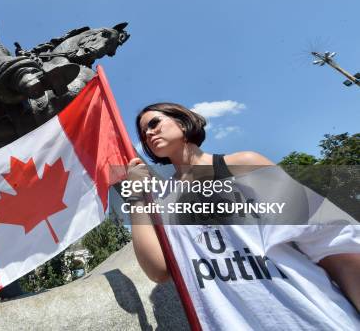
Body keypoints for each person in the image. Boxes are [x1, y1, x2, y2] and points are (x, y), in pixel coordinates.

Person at [126, 102, 360, 329]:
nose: (148, 133)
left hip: (310, 315)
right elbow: (158, 270)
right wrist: (136, 196)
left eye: (154, 123)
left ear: (183, 122)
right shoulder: (163, 201)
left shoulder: (243, 165)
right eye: (143, 132)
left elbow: (330, 242)